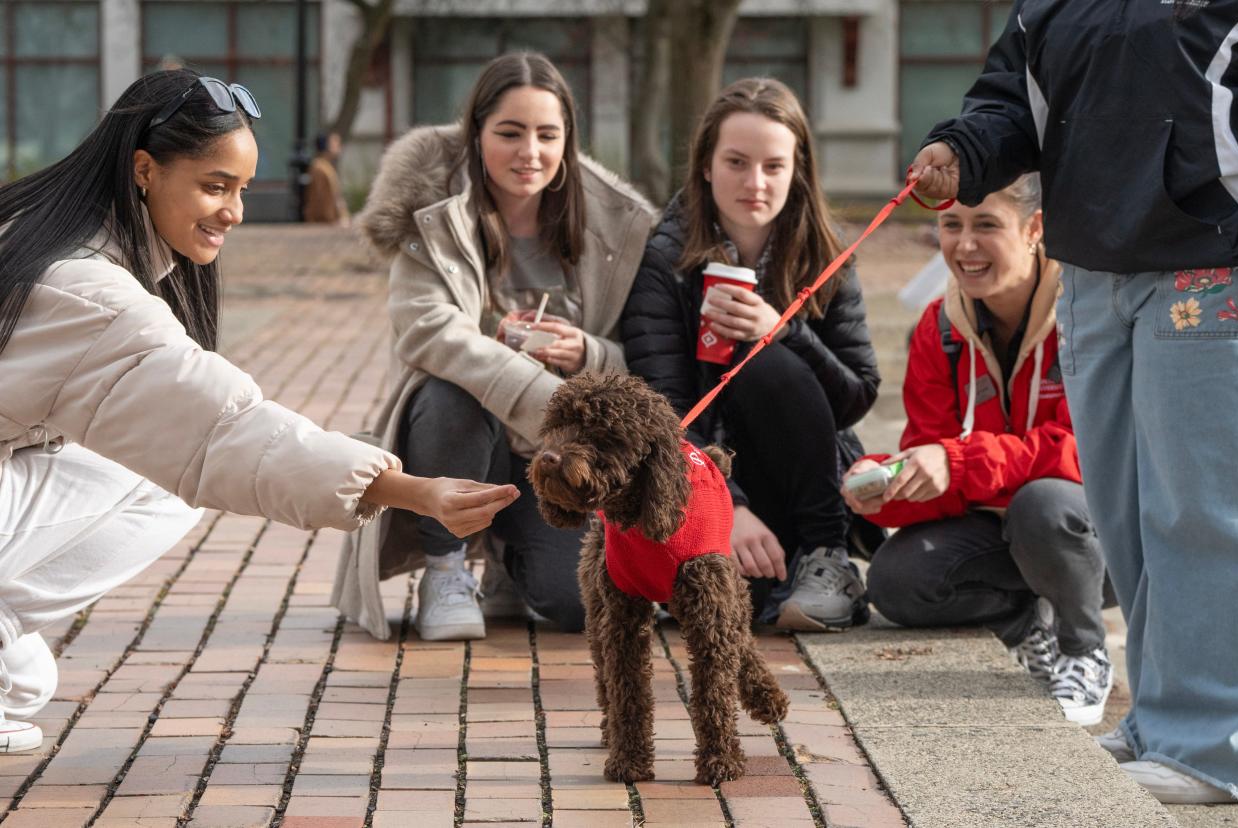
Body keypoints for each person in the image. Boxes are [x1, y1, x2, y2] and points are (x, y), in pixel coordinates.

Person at [0, 69, 518, 753]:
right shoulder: (90, 290)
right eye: (215, 186)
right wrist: (410, 490)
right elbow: (224, 427)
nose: (235, 212)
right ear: (145, 171)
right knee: (168, 472)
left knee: (150, 461)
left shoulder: (42, 234)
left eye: (241, 189)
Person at [907, 0, 1238, 804]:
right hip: (1091, 268)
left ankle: (1214, 745)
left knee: (1197, 511)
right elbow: (1007, 102)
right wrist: (960, 150)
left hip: (1210, 261)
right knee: (1124, 508)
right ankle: (1159, 721)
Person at [334, 53, 657, 642]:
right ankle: (446, 567)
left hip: (561, 453)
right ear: (476, 133)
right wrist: (541, 390)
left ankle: (511, 559)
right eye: (509, 133)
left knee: (576, 606)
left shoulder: (617, 226)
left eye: (546, 134)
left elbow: (647, 350)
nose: (528, 152)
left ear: (568, 141)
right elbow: (425, 326)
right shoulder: (429, 210)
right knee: (449, 391)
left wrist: (588, 353)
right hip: (460, 432)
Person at [842, 175, 1113, 726]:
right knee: (895, 582)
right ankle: (1026, 628)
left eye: (986, 225)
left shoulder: (1089, 312)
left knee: (1045, 506)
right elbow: (934, 457)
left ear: (1034, 228)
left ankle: (1084, 650)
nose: (964, 246)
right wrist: (888, 487)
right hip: (1002, 528)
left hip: (1099, 534)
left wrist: (959, 461)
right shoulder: (938, 327)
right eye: (951, 225)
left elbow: (1092, 455)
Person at [621, 78, 880, 632]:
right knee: (737, 605)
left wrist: (785, 332)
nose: (754, 183)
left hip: (805, 476)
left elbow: (857, 395)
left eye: (773, 166)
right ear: (706, 166)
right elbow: (665, 411)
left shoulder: (825, 255)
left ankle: (827, 557)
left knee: (768, 363)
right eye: (736, 162)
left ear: (798, 171)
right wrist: (728, 507)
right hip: (706, 476)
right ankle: (759, 564)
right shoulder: (663, 261)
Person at [303, 131, 350, 225]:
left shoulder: (326, 166)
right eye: (335, 142)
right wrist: (332, 219)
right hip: (324, 223)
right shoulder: (319, 168)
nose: (339, 146)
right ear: (326, 145)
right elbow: (320, 199)